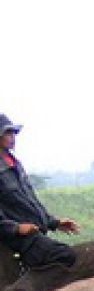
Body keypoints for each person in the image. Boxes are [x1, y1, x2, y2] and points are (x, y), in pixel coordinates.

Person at [0, 114, 80, 269]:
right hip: (19, 239)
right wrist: (16, 228)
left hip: (34, 234)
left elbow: (30, 202)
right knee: (65, 255)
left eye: (13, 133)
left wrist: (54, 223)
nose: (12, 137)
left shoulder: (14, 165)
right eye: (7, 133)